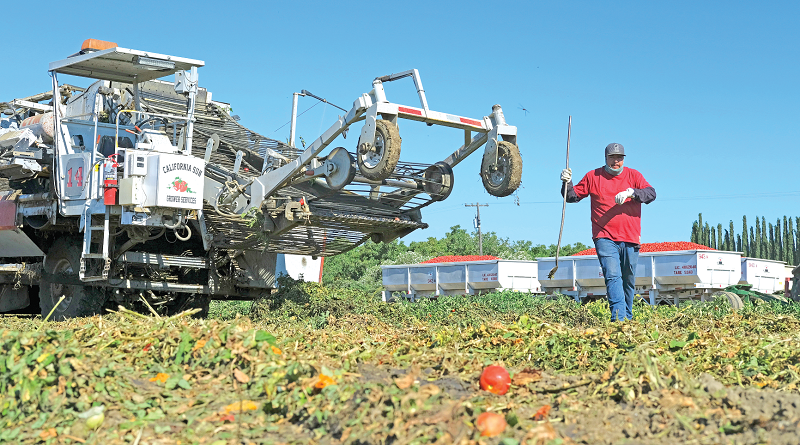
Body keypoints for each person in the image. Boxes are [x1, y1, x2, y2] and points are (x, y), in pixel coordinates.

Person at [560, 143, 656, 321]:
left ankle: (627, 317)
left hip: (630, 236)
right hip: (604, 236)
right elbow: (572, 197)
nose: (616, 161)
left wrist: (632, 193)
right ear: (606, 158)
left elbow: (651, 194)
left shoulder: (634, 175)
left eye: (619, 158)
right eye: (612, 158)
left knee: (628, 279)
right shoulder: (593, 176)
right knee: (612, 275)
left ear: (623, 159)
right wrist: (567, 182)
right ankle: (618, 319)